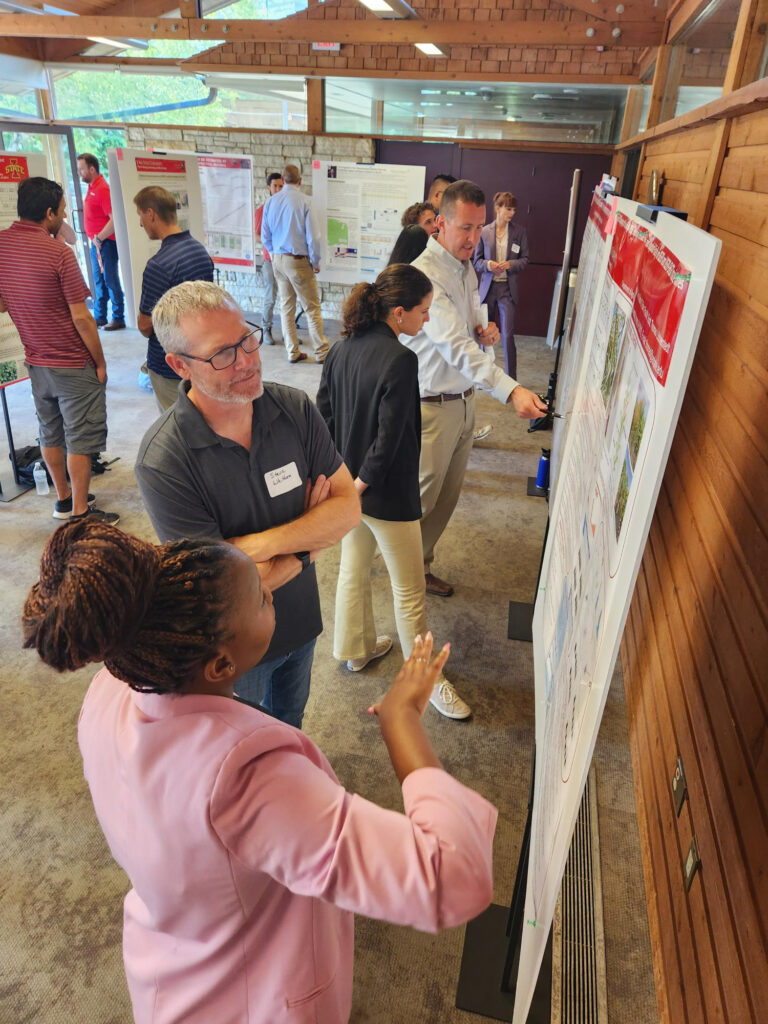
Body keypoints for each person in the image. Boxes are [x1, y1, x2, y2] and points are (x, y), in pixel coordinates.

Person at [23, 519, 496, 1023]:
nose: (271, 592)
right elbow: (451, 875)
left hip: (170, 965)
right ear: (222, 666)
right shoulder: (248, 777)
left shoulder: (112, 687)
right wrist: (402, 723)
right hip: (251, 998)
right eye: (261, 598)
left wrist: (265, 571)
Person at [135, 281, 359, 729]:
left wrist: (255, 546)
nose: (248, 361)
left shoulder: (293, 408)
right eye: (223, 354)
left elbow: (348, 508)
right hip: (232, 655)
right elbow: (224, 591)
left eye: (247, 338)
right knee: (239, 757)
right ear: (180, 365)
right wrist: (308, 543)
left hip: (300, 622)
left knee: (290, 728)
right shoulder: (164, 461)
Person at [317, 265, 471, 720]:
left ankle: (355, 650)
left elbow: (322, 416)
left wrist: (343, 482)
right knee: (409, 592)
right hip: (383, 493)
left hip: (349, 489)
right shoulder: (402, 360)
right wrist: (362, 482)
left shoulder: (340, 348)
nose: (425, 321)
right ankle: (427, 681)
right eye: (422, 313)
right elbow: (389, 439)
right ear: (398, 313)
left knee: (353, 570)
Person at [404, 180, 547, 597]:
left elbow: (466, 330)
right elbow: (454, 347)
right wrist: (512, 390)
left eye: (479, 228)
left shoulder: (463, 266)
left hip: (463, 401)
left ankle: (420, 566)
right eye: (465, 228)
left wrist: (484, 329)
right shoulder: (426, 275)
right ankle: (403, 575)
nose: (474, 238)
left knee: (445, 501)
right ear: (441, 224)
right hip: (432, 406)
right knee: (420, 501)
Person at [0, 176, 118, 525]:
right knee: (80, 437)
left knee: (50, 431)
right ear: (49, 213)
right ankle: (81, 513)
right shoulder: (59, 254)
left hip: (36, 360)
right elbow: (83, 319)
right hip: (71, 360)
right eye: (62, 212)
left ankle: (63, 500)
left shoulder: (2, 245)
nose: (64, 219)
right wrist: (100, 362)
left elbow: (3, 304)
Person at [134, 185, 214, 413]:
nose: (140, 223)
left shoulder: (159, 265)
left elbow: (145, 326)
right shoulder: (199, 252)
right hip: (198, 357)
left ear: (151, 214)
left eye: (140, 215)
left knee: (177, 429)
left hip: (169, 366)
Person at [261, 163, 328, 364]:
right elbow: (313, 237)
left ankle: (292, 352)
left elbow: (265, 236)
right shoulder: (305, 201)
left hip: (278, 260)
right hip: (297, 261)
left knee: (286, 307)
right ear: (300, 181)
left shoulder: (271, 202)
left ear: (283, 179)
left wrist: (275, 255)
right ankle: (322, 353)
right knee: (312, 308)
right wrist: (315, 261)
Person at [473, 191, 530, 379]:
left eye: (514, 209)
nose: (512, 213)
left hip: (507, 289)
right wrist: (489, 265)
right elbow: (477, 261)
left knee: (507, 334)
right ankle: (484, 373)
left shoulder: (519, 232)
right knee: (484, 335)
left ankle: (511, 378)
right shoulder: (484, 231)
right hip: (488, 289)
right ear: (498, 208)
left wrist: (510, 264)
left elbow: (525, 259)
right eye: (508, 209)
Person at [77, 153, 125, 331]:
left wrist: (99, 238)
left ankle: (119, 317)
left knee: (110, 280)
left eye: (82, 168)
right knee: (99, 280)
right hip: (97, 244)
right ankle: (100, 316)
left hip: (106, 244)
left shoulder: (103, 189)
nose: (79, 172)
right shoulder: (92, 187)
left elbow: (115, 220)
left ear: (92, 169)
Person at [254, 171, 284, 346]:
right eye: (275, 186)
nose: (278, 189)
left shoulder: (287, 208)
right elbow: (257, 235)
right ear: (269, 188)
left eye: (281, 186)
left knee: (288, 298)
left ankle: (289, 334)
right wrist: (271, 243)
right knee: (270, 297)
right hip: (270, 261)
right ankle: (266, 330)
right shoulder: (263, 210)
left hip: (286, 260)